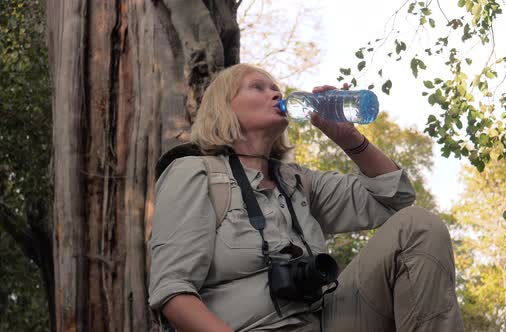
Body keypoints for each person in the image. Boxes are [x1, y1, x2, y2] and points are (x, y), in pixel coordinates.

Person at [148, 63, 464, 331]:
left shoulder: (297, 180)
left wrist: (349, 138)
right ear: (223, 106)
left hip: (325, 320)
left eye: (276, 88)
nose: (276, 94)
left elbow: (394, 199)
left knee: (418, 225)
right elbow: (173, 292)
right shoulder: (195, 172)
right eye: (257, 87)